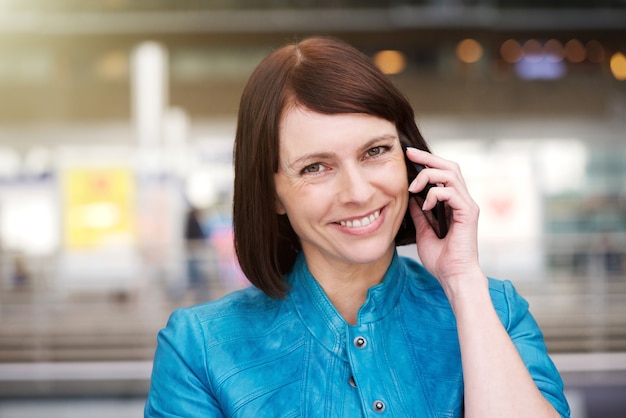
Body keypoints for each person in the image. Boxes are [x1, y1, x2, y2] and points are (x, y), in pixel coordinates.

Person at [145, 36, 570, 417]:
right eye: (316, 167)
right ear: (271, 192)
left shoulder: (495, 310)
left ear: (411, 158)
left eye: (375, 152)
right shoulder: (199, 349)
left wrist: (463, 281)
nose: (358, 191)